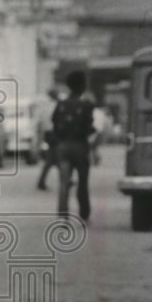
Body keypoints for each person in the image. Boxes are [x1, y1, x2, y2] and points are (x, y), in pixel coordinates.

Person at [51, 70, 96, 222]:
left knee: (64, 182)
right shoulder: (86, 105)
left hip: (62, 147)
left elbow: (54, 123)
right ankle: (84, 212)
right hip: (80, 147)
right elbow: (89, 127)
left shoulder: (61, 104)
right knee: (82, 182)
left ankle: (63, 215)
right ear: (82, 86)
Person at [36, 88, 63, 190]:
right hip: (56, 133)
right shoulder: (58, 105)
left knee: (52, 159)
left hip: (48, 134)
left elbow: (40, 122)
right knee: (57, 158)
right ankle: (65, 179)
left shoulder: (45, 106)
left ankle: (42, 181)